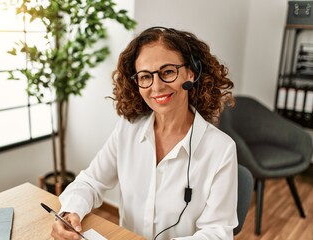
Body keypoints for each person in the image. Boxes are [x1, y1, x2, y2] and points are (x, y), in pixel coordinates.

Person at [51, 26, 238, 240]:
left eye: (168, 72)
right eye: (145, 76)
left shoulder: (221, 149)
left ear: (190, 72)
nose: (156, 87)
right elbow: (91, 182)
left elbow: (218, 233)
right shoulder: (127, 129)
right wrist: (70, 212)